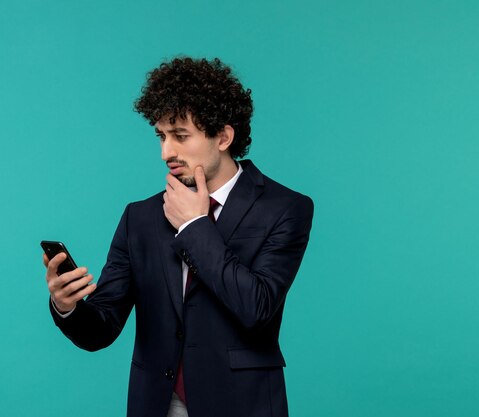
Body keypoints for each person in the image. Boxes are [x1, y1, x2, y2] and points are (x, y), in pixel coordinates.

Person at [43, 57, 314, 417]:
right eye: (162, 136)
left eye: (181, 136)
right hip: (157, 403)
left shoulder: (285, 208)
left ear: (223, 136)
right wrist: (67, 305)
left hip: (241, 403)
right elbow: (101, 330)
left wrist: (193, 227)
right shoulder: (139, 218)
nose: (166, 152)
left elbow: (258, 309)